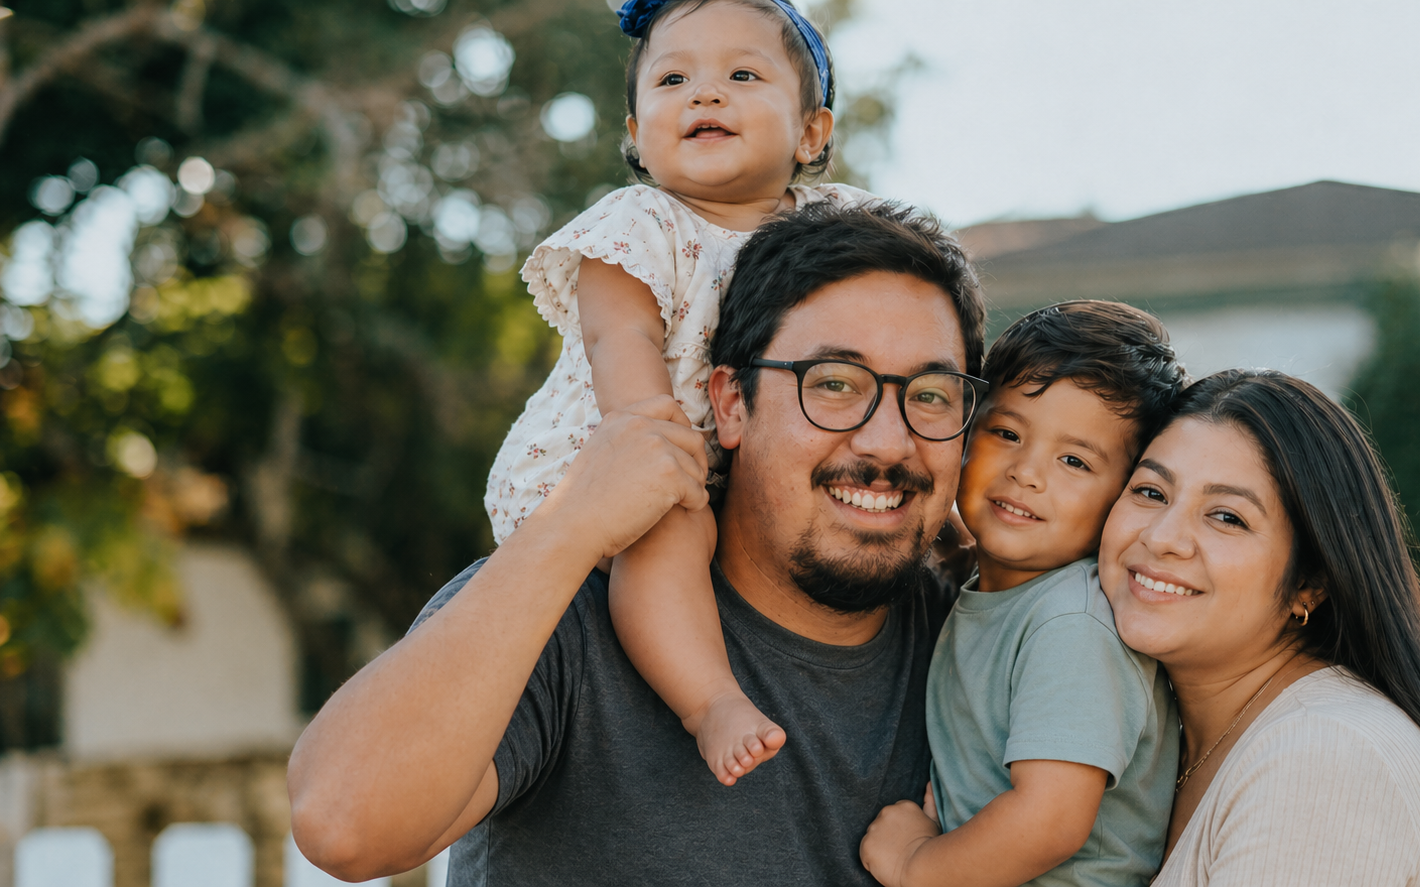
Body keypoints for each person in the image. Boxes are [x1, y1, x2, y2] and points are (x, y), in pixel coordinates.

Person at [287, 201, 988, 886]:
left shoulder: (992, 634)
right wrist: (569, 524)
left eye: (930, 395)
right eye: (834, 383)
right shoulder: (567, 613)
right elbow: (344, 826)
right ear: (730, 403)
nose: (888, 441)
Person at [487, 0, 871, 785]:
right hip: (614, 458)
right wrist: (649, 446)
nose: (706, 94)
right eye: (673, 78)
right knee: (669, 527)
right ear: (634, 134)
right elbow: (617, 341)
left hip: (737, 461)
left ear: (811, 134)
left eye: (741, 73)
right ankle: (709, 702)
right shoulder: (638, 224)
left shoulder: (837, 226)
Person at [1097, 368, 1420, 887]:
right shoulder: (1172, 744)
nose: (1162, 538)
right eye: (1151, 492)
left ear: (1309, 584)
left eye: (1227, 517)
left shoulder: (1323, 758)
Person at [859, 302, 1187, 887]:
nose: (1028, 472)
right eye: (1007, 433)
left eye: (1074, 460)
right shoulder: (1004, 592)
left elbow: (1051, 820)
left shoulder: (1074, 624)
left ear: (1127, 494)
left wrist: (916, 865)